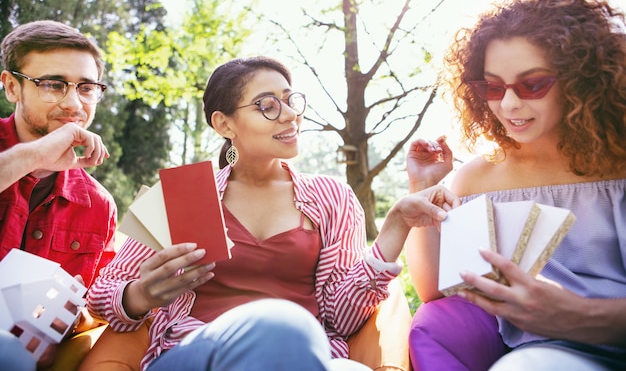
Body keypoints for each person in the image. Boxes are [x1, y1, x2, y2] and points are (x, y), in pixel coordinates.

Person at [86, 56, 460, 371]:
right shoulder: (182, 195)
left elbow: (343, 318)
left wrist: (396, 225)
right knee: (283, 326)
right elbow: (101, 295)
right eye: (267, 105)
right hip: (196, 351)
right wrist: (139, 295)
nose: (290, 116)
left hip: (305, 354)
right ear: (224, 124)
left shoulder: (332, 197)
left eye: (290, 100)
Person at [405, 0, 626, 371]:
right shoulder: (479, 176)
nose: (508, 105)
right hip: (546, 357)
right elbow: (434, 290)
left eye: (532, 84)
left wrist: (580, 315)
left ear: (582, 78)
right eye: (492, 87)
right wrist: (422, 188)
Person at [0, 20, 117, 370]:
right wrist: (35, 155)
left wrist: (68, 322)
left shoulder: (98, 206)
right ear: (11, 87)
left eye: (86, 88)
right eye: (53, 85)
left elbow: (93, 313)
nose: (73, 104)